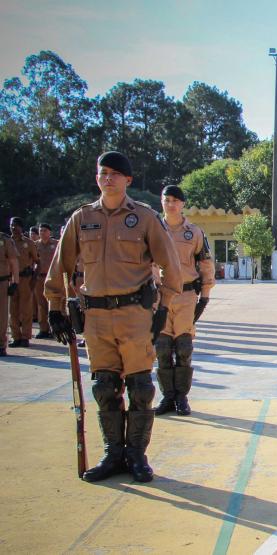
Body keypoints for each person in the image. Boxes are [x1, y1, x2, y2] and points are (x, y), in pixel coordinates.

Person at [45, 151, 182, 483]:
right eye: (103, 173)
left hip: (134, 314)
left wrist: (161, 307)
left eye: (115, 174)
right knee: (105, 388)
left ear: (128, 180)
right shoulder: (82, 218)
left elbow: (171, 268)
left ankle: (136, 456)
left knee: (140, 389)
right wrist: (55, 307)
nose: (108, 178)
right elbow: (61, 265)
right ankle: (112, 454)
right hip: (95, 318)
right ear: (97, 178)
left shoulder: (145, 218)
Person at [153, 185, 216, 417]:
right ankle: (167, 395)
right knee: (161, 348)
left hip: (186, 295)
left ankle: (182, 397)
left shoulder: (194, 232)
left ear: (182, 204)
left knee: (183, 347)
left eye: (175, 201)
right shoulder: (153, 229)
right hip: (159, 296)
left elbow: (205, 263)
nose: (170, 204)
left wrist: (206, 294)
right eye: (166, 200)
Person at [8, 217, 38, 348]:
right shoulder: (7, 242)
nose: (13, 228)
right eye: (11, 225)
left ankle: (25, 337)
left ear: (21, 227)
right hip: (11, 280)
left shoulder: (29, 243)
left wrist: (34, 280)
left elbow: (38, 262)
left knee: (26, 309)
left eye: (16, 225)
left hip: (25, 279)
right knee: (12, 310)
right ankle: (16, 337)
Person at [33, 223, 58, 339]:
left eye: (44, 230)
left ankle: (55, 328)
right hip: (39, 277)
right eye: (40, 230)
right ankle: (43, 329)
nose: (42, 233)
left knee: (54, 303)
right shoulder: (35, 245)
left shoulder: (56, 244)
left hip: (52, 277)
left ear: (50, 232)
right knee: (41, 304)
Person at [0, 230, 21, 356]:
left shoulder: (4, 240)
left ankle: (1, 344)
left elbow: (13, 261)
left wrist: (15, 282)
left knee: (1, 315)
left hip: (1, 282)